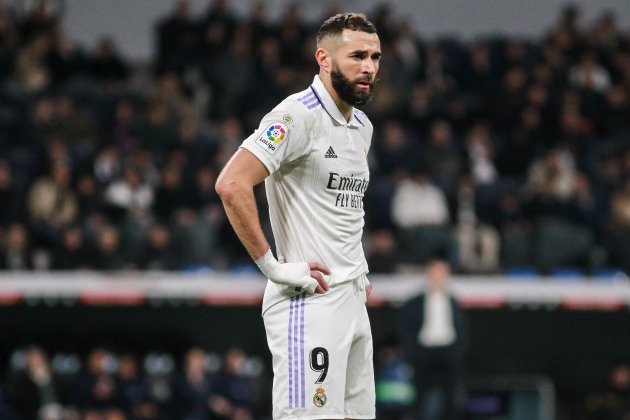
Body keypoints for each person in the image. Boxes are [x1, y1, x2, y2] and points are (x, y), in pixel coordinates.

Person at [216, 12, 381, 420]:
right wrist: (272, 266)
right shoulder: (296, 115)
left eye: (375, 57)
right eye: (357, 55)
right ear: (323, 59)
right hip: (309, 304)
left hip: (352, 300)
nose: (368, 67)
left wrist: (356, 270)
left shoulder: (361, 126)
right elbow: (232, 184)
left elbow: (342, 207)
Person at [399, 258, 468, 420]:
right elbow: (407, 328)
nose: (438, 276)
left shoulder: (454, 301)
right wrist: (412, 351)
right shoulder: (415, 302)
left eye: (441, 272)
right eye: (435, 271)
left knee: (450, 394)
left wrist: (458, 350)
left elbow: (462, 327)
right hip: (423, 351)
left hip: (448, 351)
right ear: (428, 274)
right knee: (419, 393)